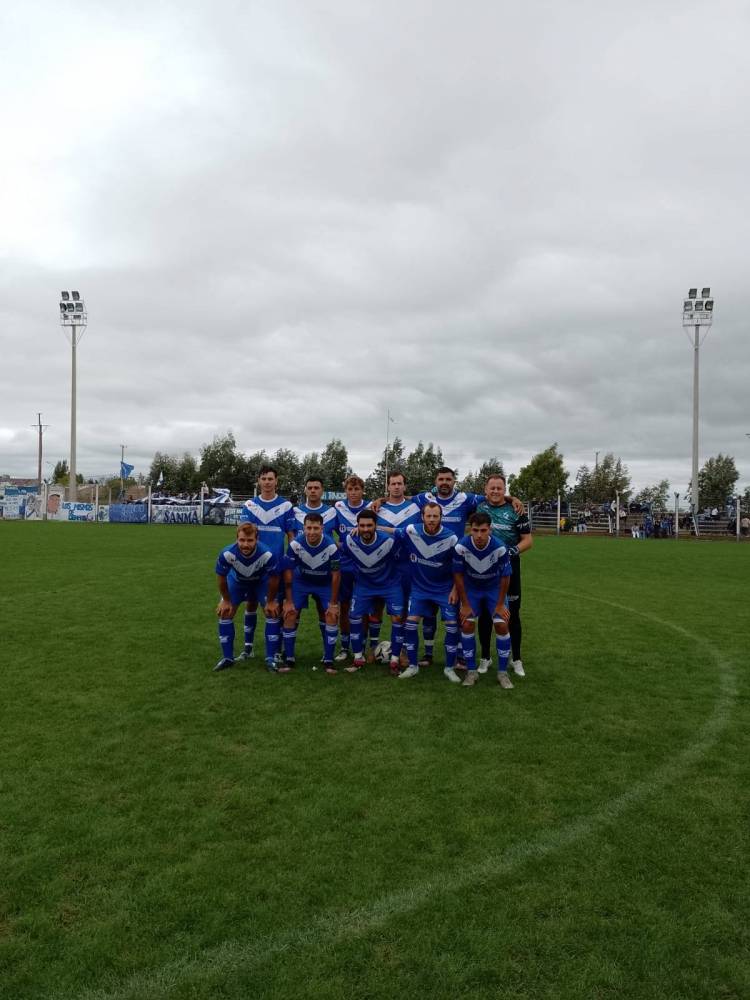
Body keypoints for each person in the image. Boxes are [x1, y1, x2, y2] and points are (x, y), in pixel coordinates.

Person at [394, 502, 461, 682]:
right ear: (422, 516)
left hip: (444, 589)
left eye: (435, 516)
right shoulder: (411, 530)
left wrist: (455, 590)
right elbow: (392, 532)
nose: (432, 519)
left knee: (452, 626)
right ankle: (413, 665)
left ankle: (449, 668)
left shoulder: (451, 538)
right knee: (410, 624)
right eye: (428, 516)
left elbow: (459, 568)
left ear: (441, 517)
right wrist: (373, 528)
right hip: (420, 588)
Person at [476, 474, 532, 677]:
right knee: (485, 614)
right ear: (486, 489)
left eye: (499, 488)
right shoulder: (480, 507)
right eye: (492, 488)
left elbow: (528, 540)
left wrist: (510, 552)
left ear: (504, 489)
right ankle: (485, 657)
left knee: (512, 614)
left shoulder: (516, 510)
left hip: (509, 567)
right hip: (484, 567)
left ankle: (516, 659)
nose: (495, 491)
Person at [239, 465, 296, 660]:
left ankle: (276, 650)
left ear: (276, 481)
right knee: (250, 604)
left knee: (274, 608)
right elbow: (244, 536)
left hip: (275, 566)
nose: (267, 482)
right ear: (259, 481)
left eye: (270, 478)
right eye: (263, 478)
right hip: (252, 565)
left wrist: (288, 560)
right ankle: (248, 648)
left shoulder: (286, 506)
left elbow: (291, 536)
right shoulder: (249, 505)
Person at [452, 512, 512, 688]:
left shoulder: (500, 547)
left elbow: (505, 578)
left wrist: (500, 604)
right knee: (468, 623)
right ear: (470, 529)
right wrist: (465, 604)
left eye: (483, 530)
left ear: (490, 530)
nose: (479, 535)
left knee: (501, 624)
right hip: (472, 590)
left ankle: (503, 673)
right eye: (475, 530)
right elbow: (458, 575)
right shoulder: (461, 547)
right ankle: (471, 671)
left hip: (494, 590)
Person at [344, 509, 405, 674]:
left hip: (390, 585)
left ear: (376, 526)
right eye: (362, 525)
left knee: (398, 618)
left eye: (369, 525)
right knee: (355, 617)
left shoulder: (389, 541)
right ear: (356, 525)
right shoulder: (350, 539)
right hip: (364, 585)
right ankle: (358, 659)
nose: (365, 529)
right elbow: (344, 558)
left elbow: (402, 555)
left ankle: (394, 661)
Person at [214, 523, 281, 672]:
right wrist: (225, 600)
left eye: (250, 540)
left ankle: (271, 658)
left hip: (260, 582)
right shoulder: (227, 553)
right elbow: (221, 577)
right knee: (225, 613)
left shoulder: (267, 554)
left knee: (272, 612)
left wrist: (270, 601)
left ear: (257, 539)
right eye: (242, 540)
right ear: (236, 539)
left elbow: (275, 579)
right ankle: (227, 658)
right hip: (237, 582)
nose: (245, 544)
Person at [281, 512, 340, 674]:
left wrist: (334, 604)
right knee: (290, 613)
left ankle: (329, 660)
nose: (312, 532)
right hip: (302, 582)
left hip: (324, 583)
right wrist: (288, 600)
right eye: (309, 528)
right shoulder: (295, 544)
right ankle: (289, 659)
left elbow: (336, 575)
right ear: (303, 528)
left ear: (322, 528)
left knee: (332, 615)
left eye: (316, 528)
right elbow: (288, 571)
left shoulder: (331, 546)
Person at [333, 475, 370, 661]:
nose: (353, 493)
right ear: (345, 490)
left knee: (363, 606)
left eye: (357, 489)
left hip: (366, 564)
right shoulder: (338, 507)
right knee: (345, 605)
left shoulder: (371, 507)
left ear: (362, 490)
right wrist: (339, 545)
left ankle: (362, 644)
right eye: (350, 489)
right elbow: (325, 531)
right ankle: (345, 646)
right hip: (345, 565)